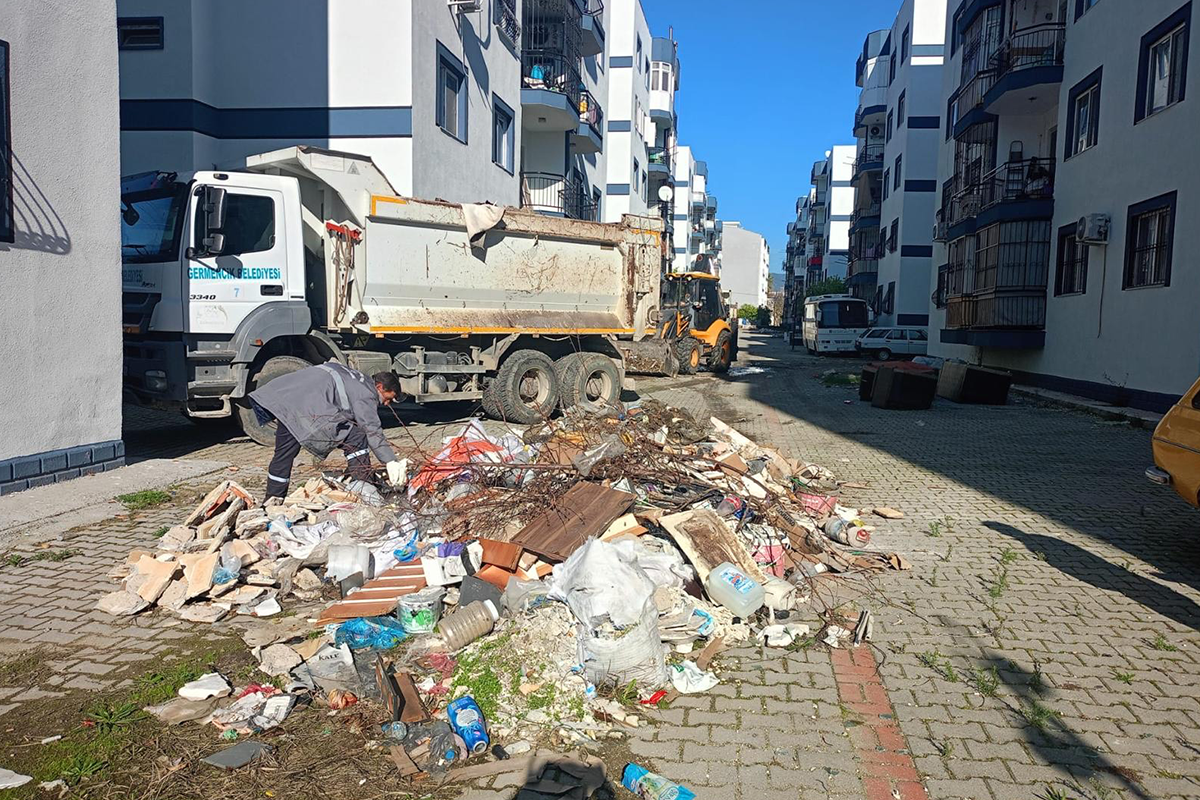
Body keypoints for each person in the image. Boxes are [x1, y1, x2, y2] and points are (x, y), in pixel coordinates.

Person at [249, 362, 406, 501]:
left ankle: (273, 499)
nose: (387, 404)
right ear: (379, 387)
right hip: (309, 408)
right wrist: (390, 462)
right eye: (388, 398)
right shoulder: (366, 393)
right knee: (357, 438)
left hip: (289, 400)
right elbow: (372, 430)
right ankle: (365, 490)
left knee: (284, 454)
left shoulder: (357, 378)